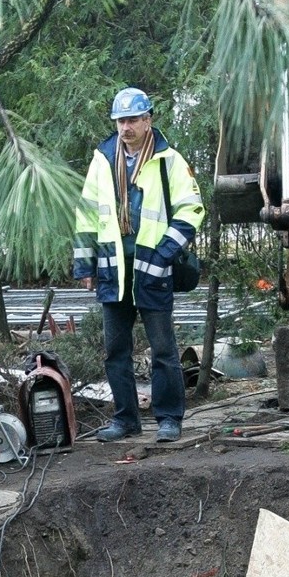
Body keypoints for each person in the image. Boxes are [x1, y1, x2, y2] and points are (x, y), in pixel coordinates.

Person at [74, 87, 204, 444]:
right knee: (116, 351)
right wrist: (86, 267)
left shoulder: (169, 159)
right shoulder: (103, 159)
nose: (125, 127)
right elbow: (87, 214)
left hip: (152, 268)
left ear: (148, 120)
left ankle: (168, 419)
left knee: (163, 350)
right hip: (114, 271)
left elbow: (192, 210)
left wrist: (164, 255)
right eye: (120, 121)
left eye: (132, 120)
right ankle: (125, 419)